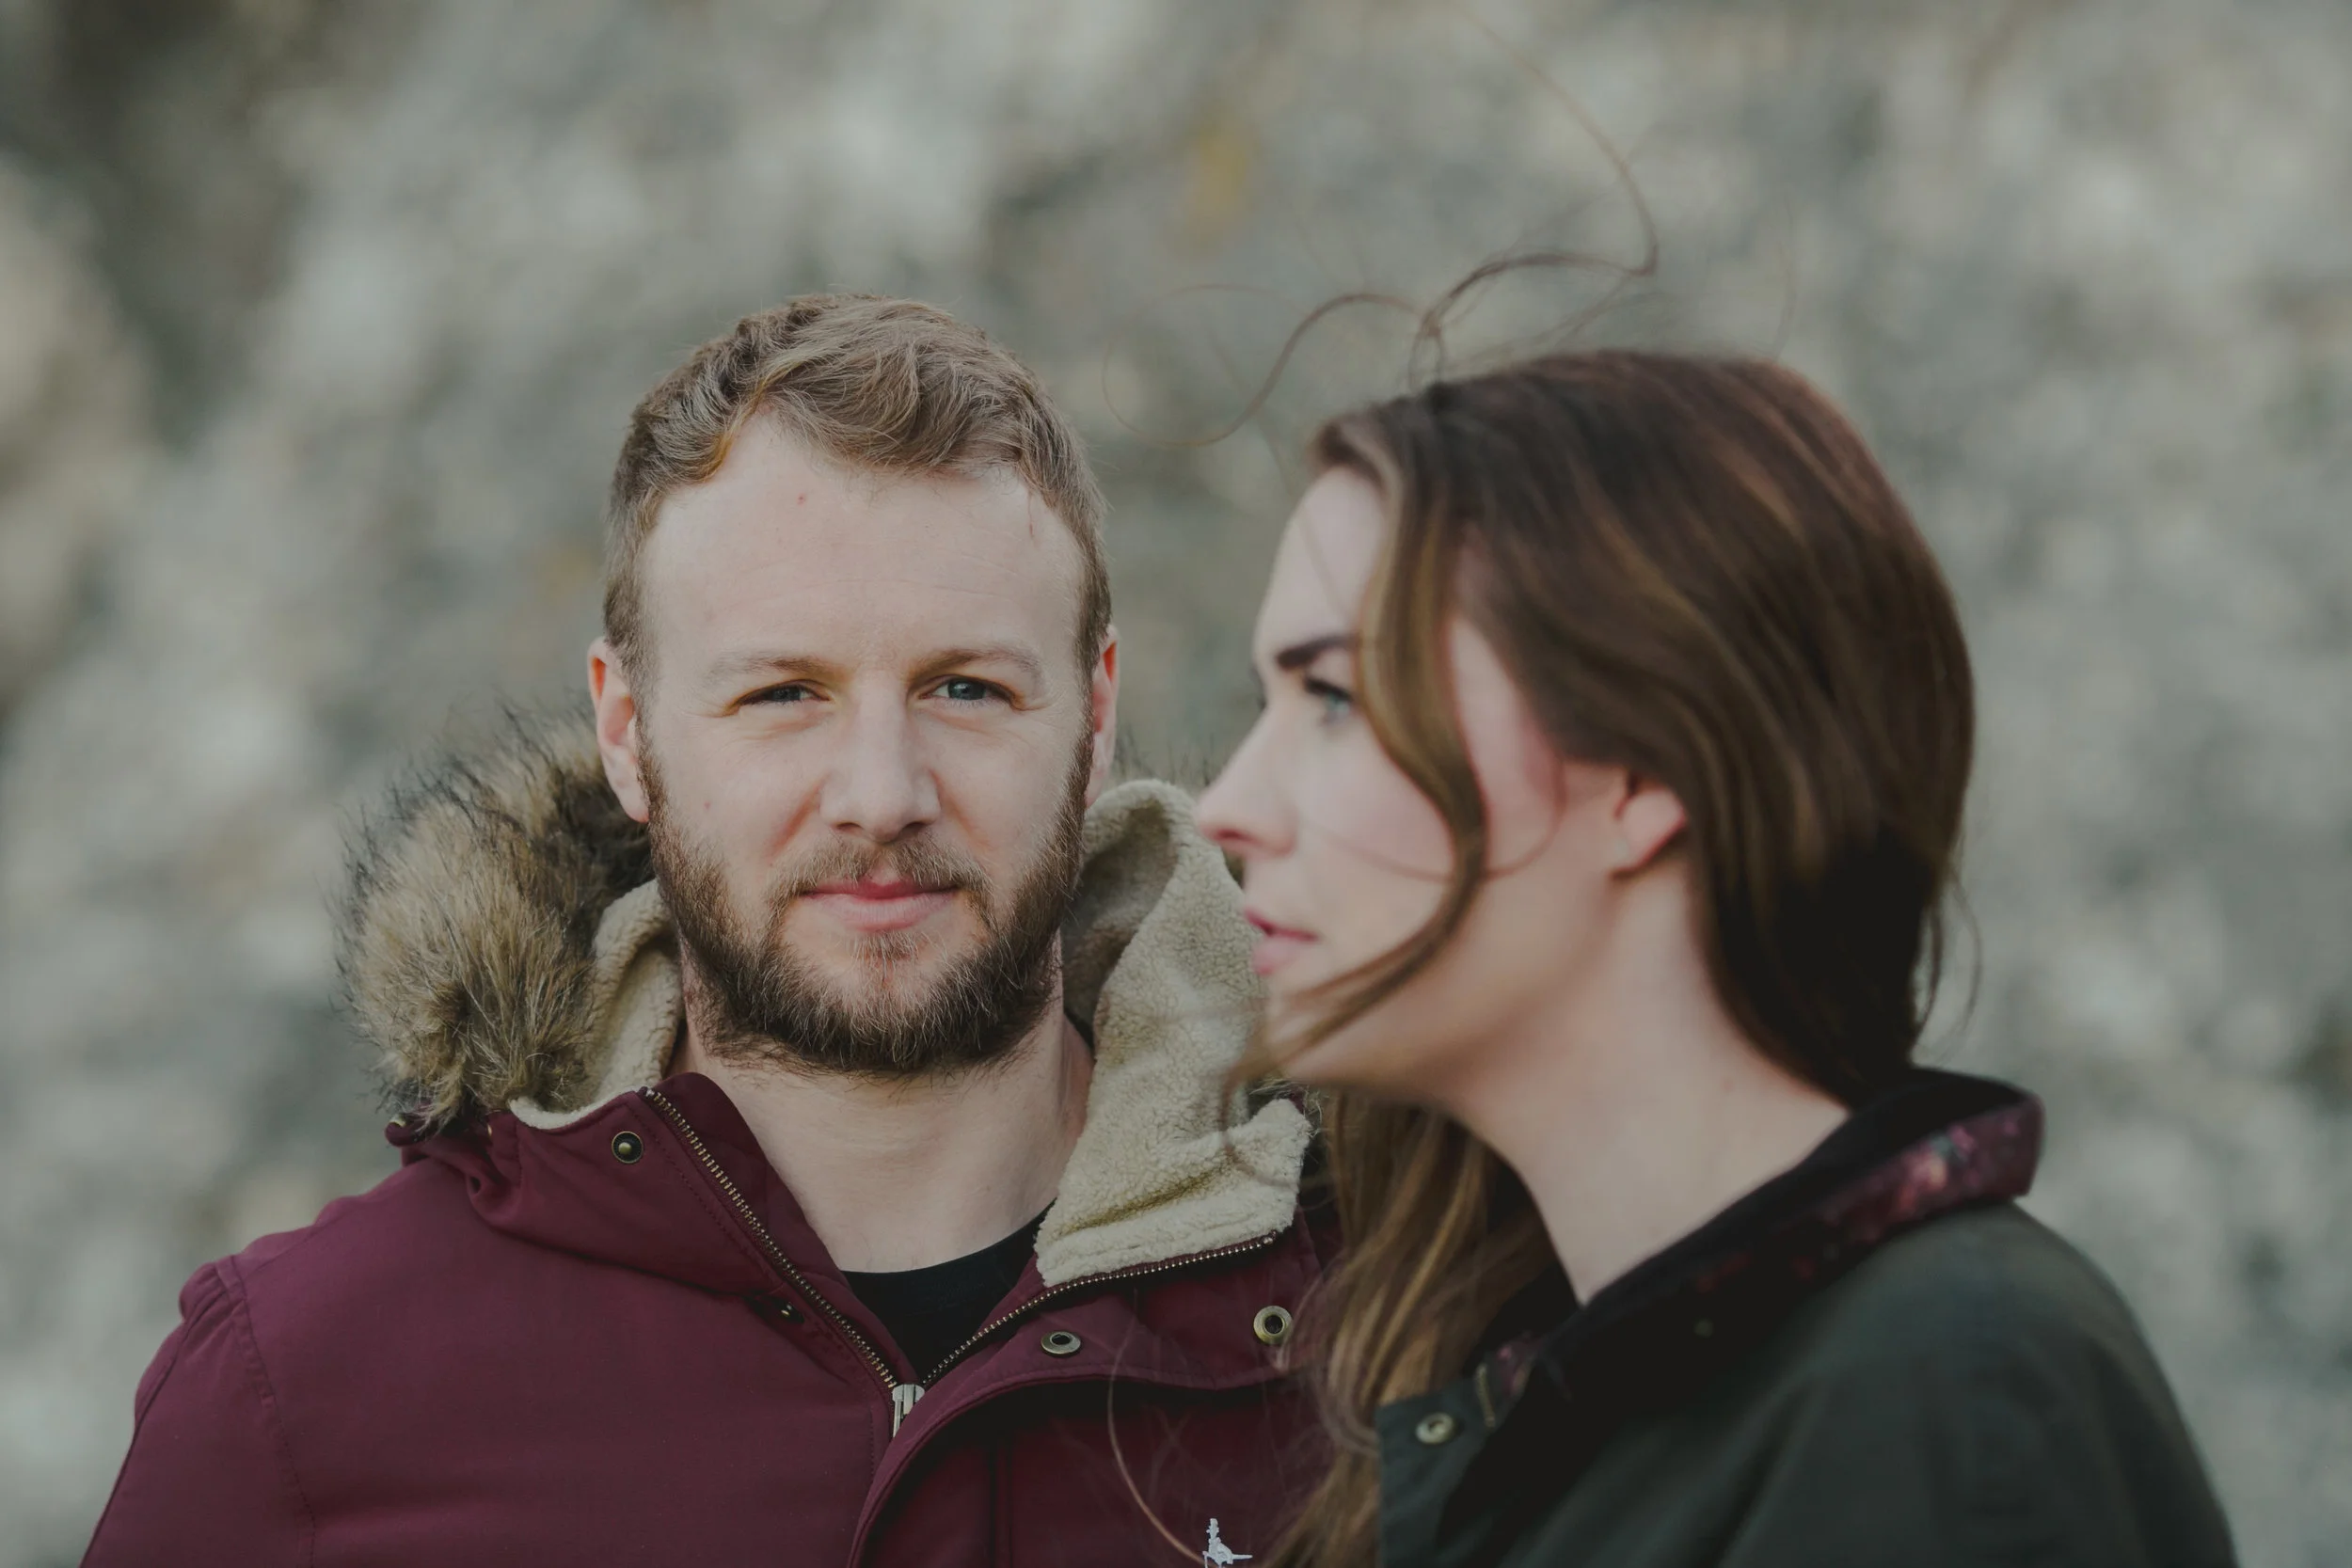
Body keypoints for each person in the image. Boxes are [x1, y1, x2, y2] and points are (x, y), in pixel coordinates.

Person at [85, 295, 1324, 1567]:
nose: (883, 792)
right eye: (785, 693)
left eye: (967, 688)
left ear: (1095, 712)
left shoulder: (1399, 1316)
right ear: (626, 730)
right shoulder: (300, 1392)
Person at [1196, 349, 2237, 1568]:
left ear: (1641, 770)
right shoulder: (1558, 1391)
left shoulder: (1944, 1387)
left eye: (1331, 696)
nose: (1227, 803)